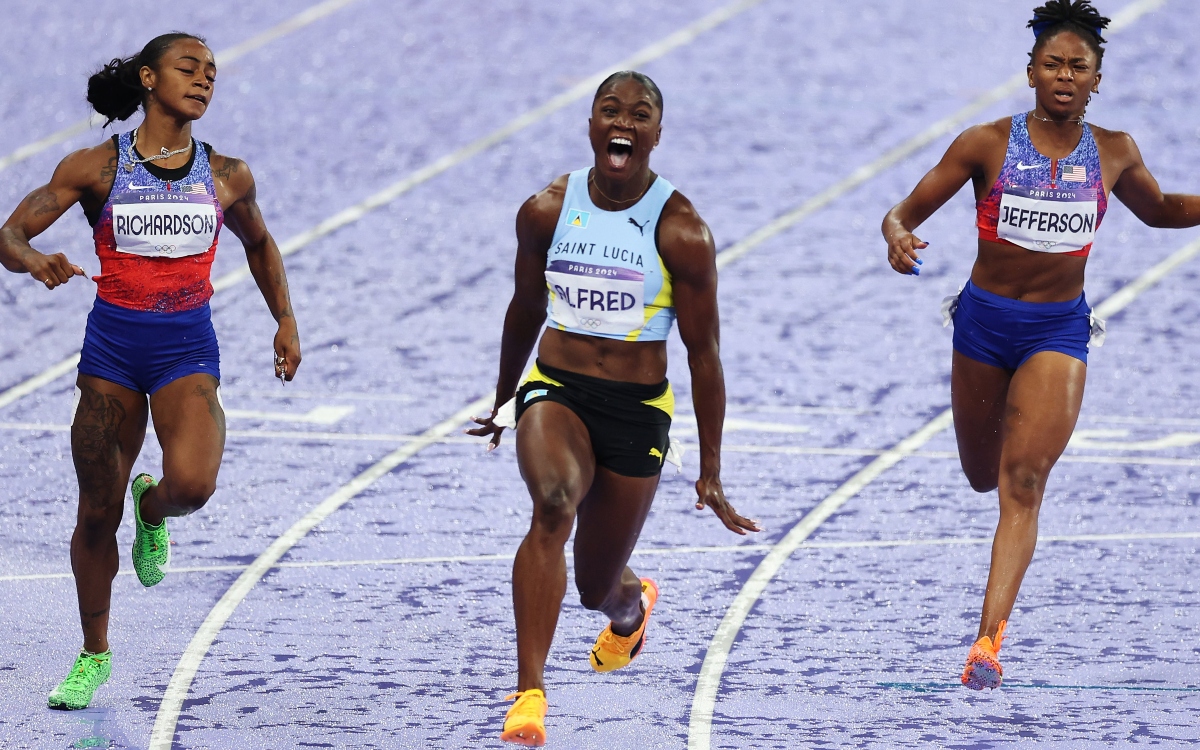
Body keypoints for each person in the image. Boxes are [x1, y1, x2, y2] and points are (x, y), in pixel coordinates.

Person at [882, 0, 1200, 690]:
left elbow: (1160, 211)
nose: (1064, 75)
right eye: (1052, 64)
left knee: (1023, 483)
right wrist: (898, 234)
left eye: (1078, 67)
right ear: (1030, 72)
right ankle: (1007, 434)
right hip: (982, 326)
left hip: (1057, 331)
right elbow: (903, 210)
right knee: (981, 473)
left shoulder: (1114, 151)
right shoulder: (985, 144)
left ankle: (987, 643)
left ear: (1097, 80)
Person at [0, 33, 301, 710]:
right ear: (147, 78)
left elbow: (259, 243)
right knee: (94, 511)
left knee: (192, 486)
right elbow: (9, 234)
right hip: (111, 354)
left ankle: (152, 507)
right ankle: (93, 654)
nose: (203, 80)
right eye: (188, 68)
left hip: (185, 349)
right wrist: (34, 261)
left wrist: (284, 319)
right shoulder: (96, 168)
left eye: (211, 73)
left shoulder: (227, 175)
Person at [468, 71, 760, 745]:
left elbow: (705, 356)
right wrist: (505, 396)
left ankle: (632, 608)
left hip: (637, 412)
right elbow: (525, 307)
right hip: (557, 391)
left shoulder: (682, 232)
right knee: (551, 506)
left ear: (656, 134)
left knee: (597, 585)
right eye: (610, 110)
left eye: (639, 114)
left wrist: (711, 469)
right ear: (592, 126)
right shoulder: (546, 211)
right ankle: (530, 695)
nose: (623, 122)